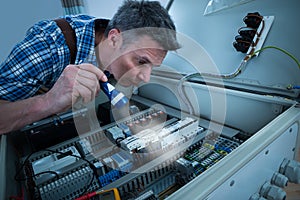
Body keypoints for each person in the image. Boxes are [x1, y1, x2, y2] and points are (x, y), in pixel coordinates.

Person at [0, 0, 180, 134]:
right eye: (141, 61)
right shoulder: (46, 47)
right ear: (115, 39)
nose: (145, 78)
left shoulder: (115, 43)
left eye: (152, 66)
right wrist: (49, 101)